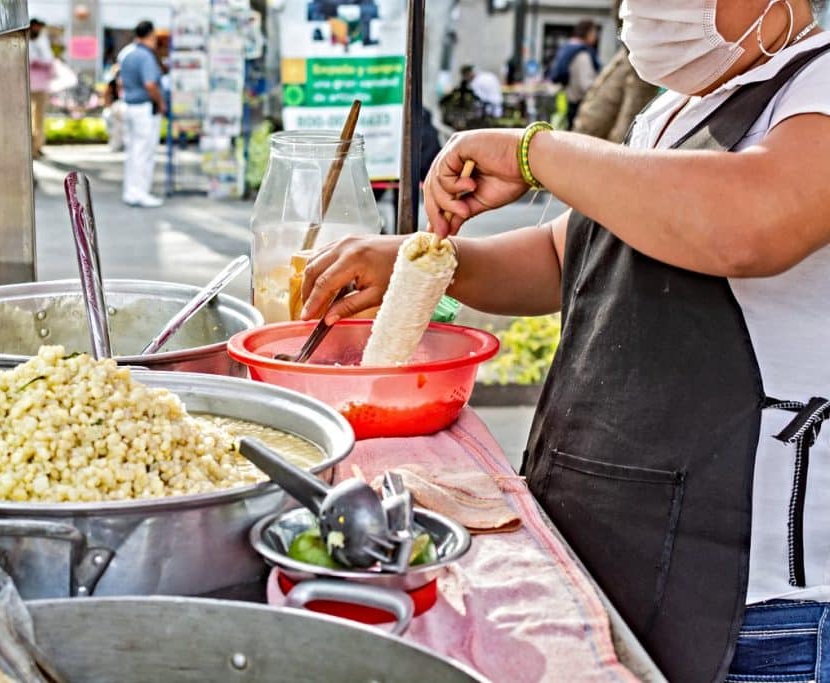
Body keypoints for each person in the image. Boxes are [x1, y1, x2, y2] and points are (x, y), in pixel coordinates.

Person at [300, 1, 830, 681]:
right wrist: (419, 262)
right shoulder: (668, 113)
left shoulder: (814, 89)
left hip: (758, 615)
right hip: (616, 560)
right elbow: (565, 257)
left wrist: (535, 151)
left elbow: (751, 220)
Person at [119, 20, 166, 208]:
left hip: (129, 105)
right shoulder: (146, 56)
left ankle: (131, 191)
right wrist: (160, 102)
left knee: (133, 152)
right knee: (143, 152)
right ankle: (140, 192)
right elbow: (150, 84)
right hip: (144, 108)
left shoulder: (126, 53)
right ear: (151, 35)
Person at [573, 45, 659, 142]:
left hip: (608, 143)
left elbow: (625, 130)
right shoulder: (624, 57)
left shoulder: (643, 64)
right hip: (589, 134)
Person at [548, 19, 601, 128]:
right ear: (587, 33)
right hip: (578, 104)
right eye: (594, 33)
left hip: (566, 100)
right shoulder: (582, 54)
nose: (596, 37)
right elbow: (585, 84)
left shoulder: (567, 49)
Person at [28, 18, 54, 159]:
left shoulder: (42, 41)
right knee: (28, 117)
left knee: (39, 118)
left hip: (42, 85)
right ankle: (31, 148)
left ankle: (37, 146)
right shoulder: (25, 40)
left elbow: (48, 59)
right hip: (27, 84)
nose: (37, 29)